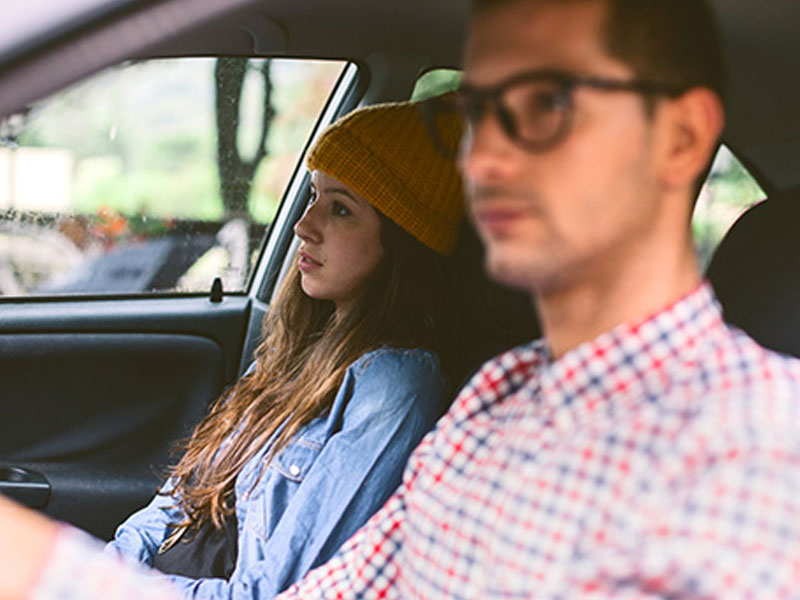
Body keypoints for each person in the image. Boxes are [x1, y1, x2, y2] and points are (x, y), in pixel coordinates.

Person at [3, 0, 800, 598]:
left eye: (541, 107)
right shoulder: (494, 408)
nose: (483, 158)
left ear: (679, 139)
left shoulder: (766, 452)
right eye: (477, 114)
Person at [0, 98, 464, 600]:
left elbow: (279, 590)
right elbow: (180, 500)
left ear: (401, 241)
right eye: (313, 196)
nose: (303, 226)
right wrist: (113, 569)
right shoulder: (296, 347)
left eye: (341, 209)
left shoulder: (394, 384)